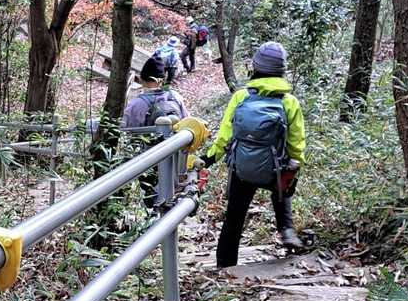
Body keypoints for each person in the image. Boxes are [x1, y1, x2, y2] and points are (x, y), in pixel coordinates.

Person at [201, 41, 306, 267]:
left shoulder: (241, 97)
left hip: (243, 169)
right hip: (274, 169)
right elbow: (296, 143)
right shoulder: (289, 102)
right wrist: (295, 164)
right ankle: (286, 228)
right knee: (282, 189)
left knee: (234, 218)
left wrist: (208, 158)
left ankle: (225, 267)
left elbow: (225, 136)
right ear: (282, 71)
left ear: (255, 67)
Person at [123, 55, 187, 210]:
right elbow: (186, 121)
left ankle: (154, 214)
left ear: (142, 79)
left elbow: (125, 131)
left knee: (152, 198)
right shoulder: (176, 97)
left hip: (149, 162)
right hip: (176, 158)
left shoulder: (137, 104)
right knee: (171, 195)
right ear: (162, 80)